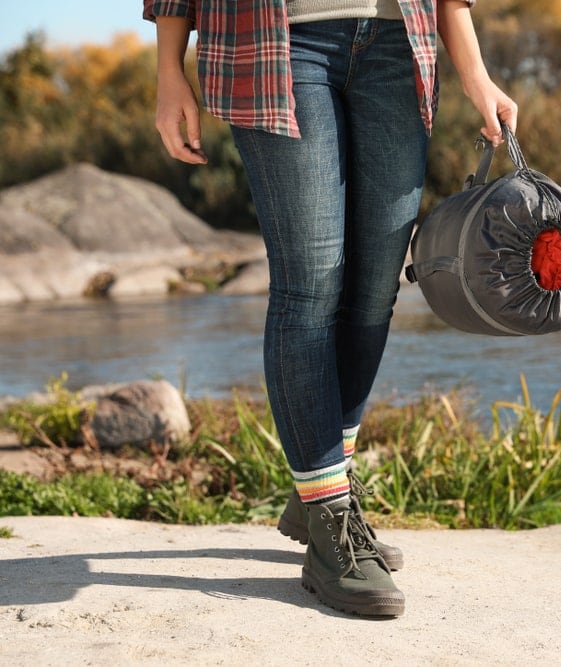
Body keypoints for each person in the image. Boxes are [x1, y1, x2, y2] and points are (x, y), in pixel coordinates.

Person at [143, 0, 517, 618]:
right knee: (311, 282)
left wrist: (475, 70)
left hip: (400, 44)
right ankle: (330, 524)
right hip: (277, 44)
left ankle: (321, 490)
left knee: (376, 284)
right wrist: (168, 70)